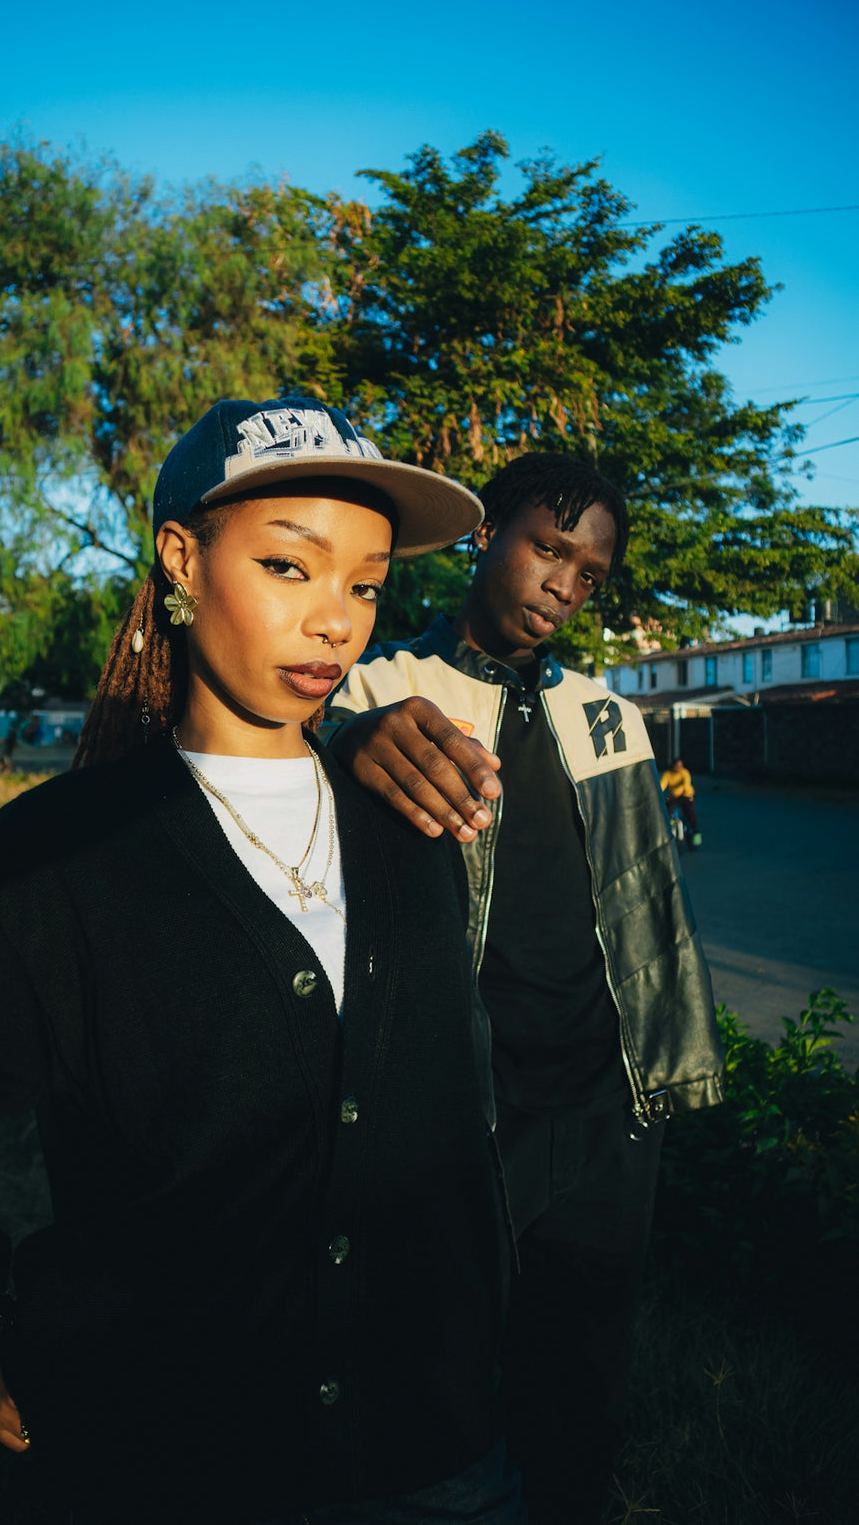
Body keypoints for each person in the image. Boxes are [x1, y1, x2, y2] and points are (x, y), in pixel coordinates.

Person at [0, 398, 524, 1525]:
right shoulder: (63, 854)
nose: (334, 622)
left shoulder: (410, 821)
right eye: (288, 566)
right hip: (174, 1458)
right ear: (183, 561)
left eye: (365, 585)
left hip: (438, 1449)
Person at [323, 452, 724, 1525]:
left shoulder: (609, 719)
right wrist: (345, 746)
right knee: (438, 1369)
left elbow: (649, 912)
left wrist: (662, 1073)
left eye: (588, 573)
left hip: (603, 1109)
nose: (563, 583)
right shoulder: (380, 692)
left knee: (580, 1377)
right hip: (459, 1108)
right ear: (483, 533)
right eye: (547, 548)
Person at [661, 756, 701, 845]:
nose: (679, 768)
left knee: (690, 812)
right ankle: (670, 823)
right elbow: (662, 785)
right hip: (675, 797)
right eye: (677, 766)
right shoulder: (668, 774)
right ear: (673, 766)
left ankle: (695, 830)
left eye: (681, 766)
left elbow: (686, 783)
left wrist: (683, 790)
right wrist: (658, 792)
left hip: (687, 795)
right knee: (667, 806)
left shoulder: (685, 773)